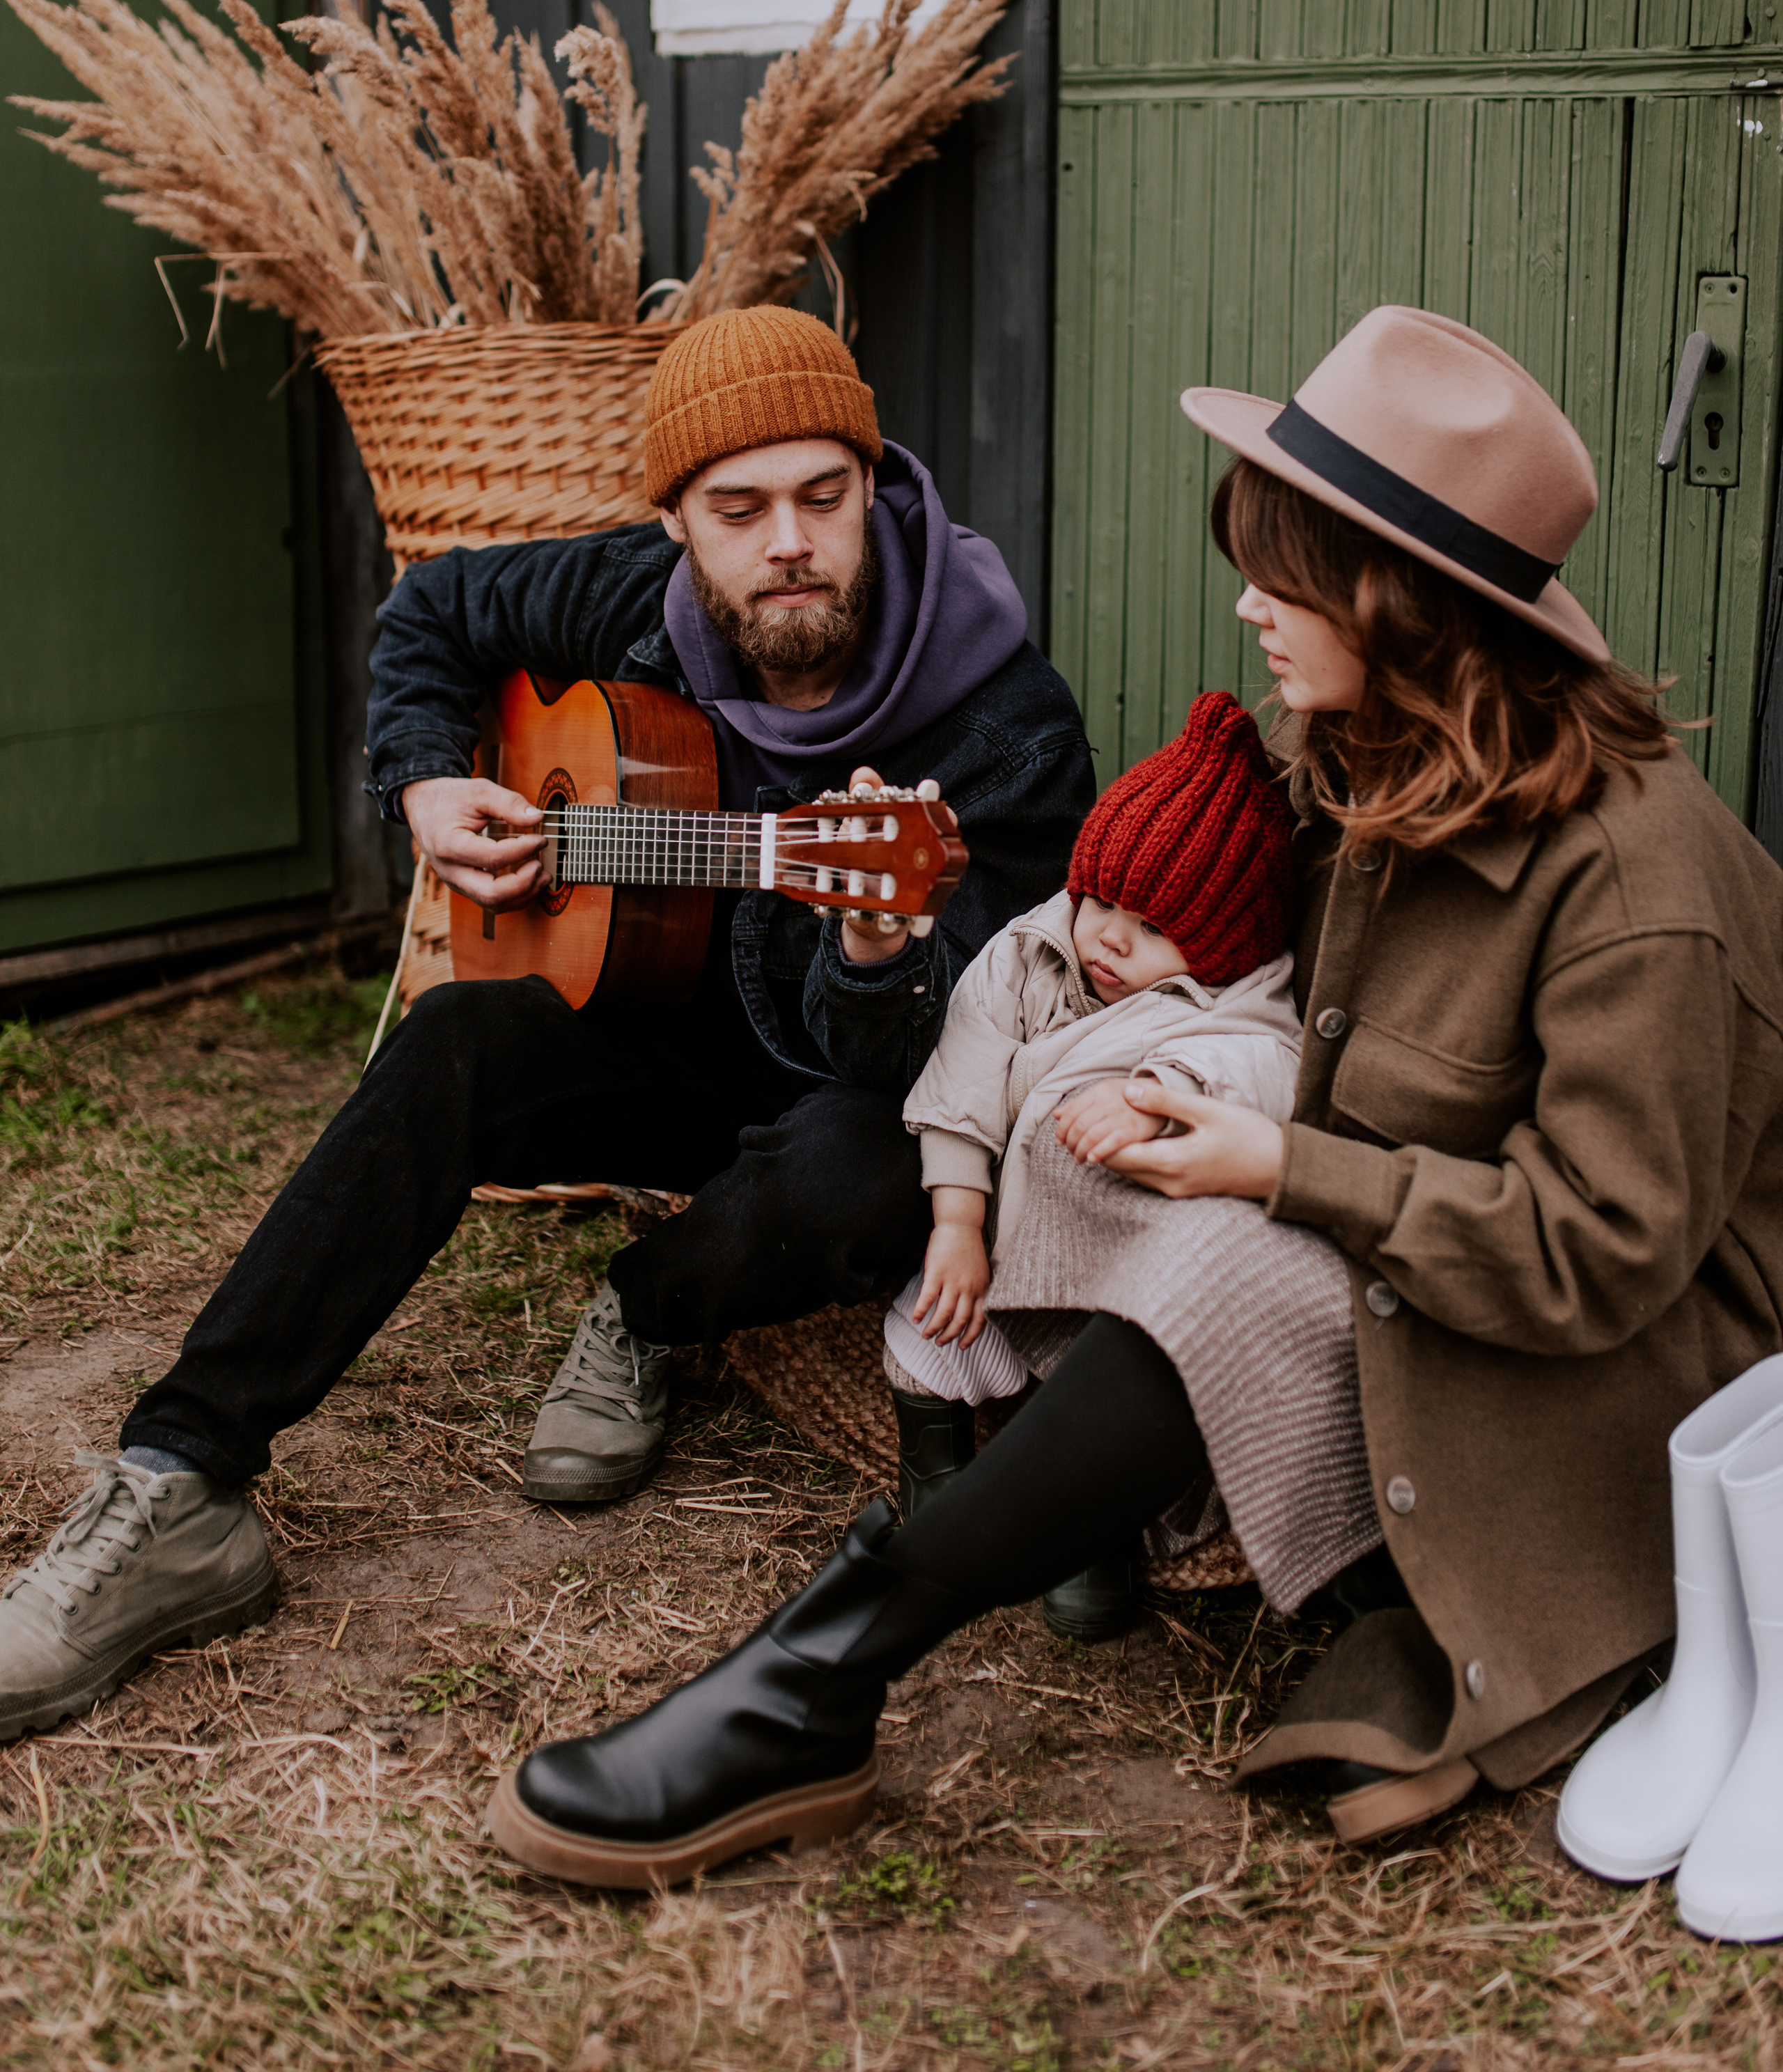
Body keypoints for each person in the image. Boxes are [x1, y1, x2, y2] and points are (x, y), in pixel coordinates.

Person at [484, 302, 1783, 1892]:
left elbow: (1604, 1253)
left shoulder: (1638, 885)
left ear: (1404, 602)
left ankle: (817, 1675)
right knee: (1113, 1126)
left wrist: (1285, 1168)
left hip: (1629, 1345)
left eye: (1282, 571)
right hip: (1421, 1237)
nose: (1243, 600)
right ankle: (1035, 1540)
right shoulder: (1355, 767)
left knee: (1237, 1259)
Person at [0, 308, 1093, 1743]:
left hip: (866, 1086)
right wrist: (421, 790)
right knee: (454, 1042)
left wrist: (877, 940)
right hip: (657, 1041)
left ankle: (647, 1307)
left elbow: (973, 1064)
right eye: (737, 509)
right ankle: (179, 1482)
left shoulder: (1004, 729)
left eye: (822, 499)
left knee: (862, 1177)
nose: (786, 545)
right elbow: (432, 610)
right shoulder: (636, 601)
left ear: (872, 489)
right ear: (677, 526)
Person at [882, 691, 1301, 1652]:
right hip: (998, 1231)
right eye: (1101, 900)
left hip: (1109, 1259)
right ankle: (937, 1455)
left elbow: (1269, 1063)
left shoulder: (1234, 1000)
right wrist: (954, 1218)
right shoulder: (1033, 948)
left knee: (1106, 1388)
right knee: (932, 1324)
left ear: (1223, 943)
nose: (1109, 937)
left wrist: (1159, 1091)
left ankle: (1089, 1519)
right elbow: (963, 1079)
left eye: (1149, 927)